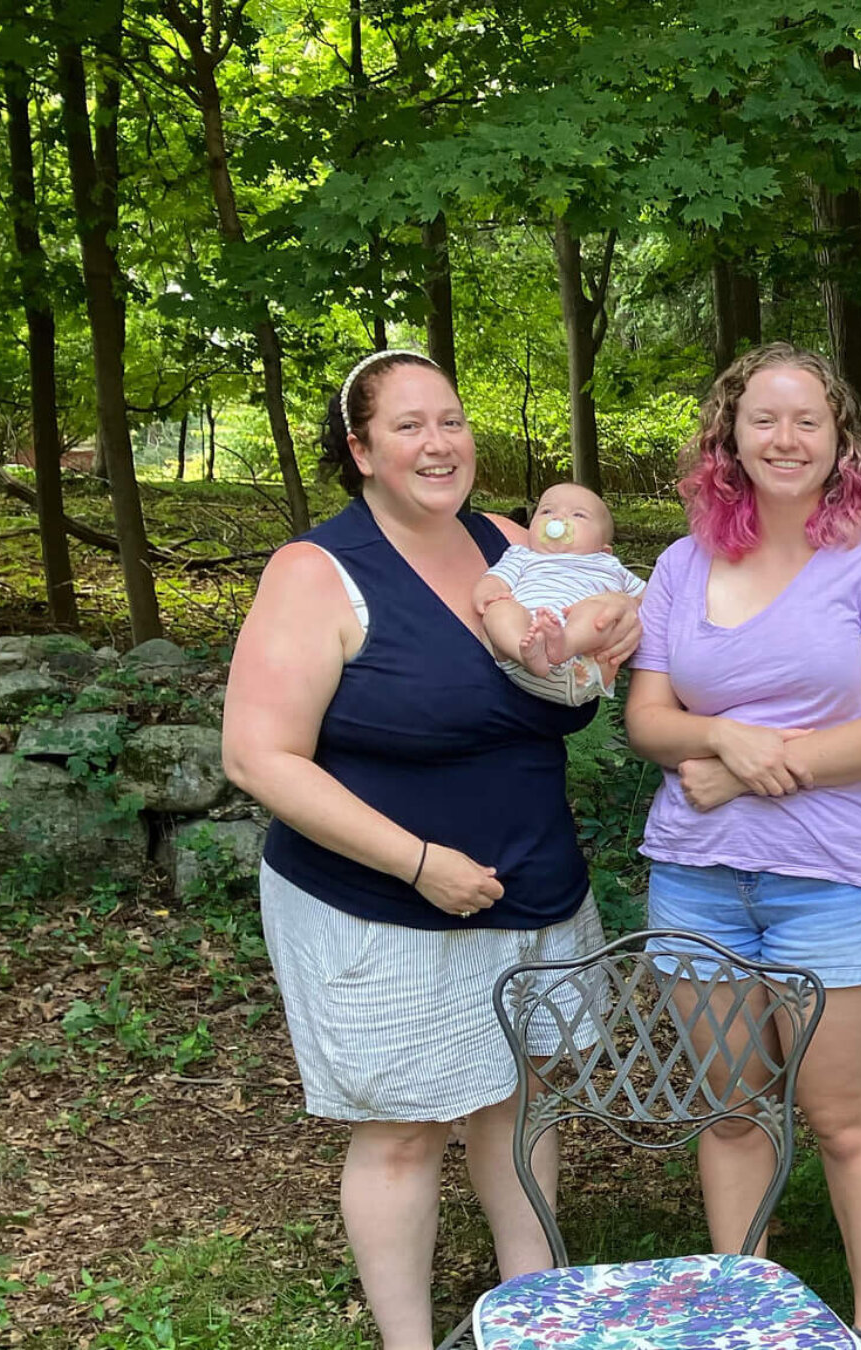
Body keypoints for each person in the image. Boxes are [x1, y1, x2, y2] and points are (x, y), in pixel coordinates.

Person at [223, 349, 642, 1350]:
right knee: (405, 1131)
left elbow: (576, 677)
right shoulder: (316, 573)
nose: (438, 442)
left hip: (535, 888)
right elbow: (256, 756)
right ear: (360, 450)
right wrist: (417, 861)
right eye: (407, 425)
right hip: (386, 905)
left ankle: (532, 1319)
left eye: (450, 420)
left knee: (520, 1105)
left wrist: (606, 640)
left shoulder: (510, 542)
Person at [623, 342, 861, 1349]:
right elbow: (648, 719)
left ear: (841, 437)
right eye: (765, 419)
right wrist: (721, 738)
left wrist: (761, 765)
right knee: (729, 1110)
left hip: (837, 887)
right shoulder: (682, 563)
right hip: (698, 880)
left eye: (809, 420)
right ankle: (744, 1315)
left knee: (845, 1118)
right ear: (731, 433)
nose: (787, 438)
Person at [474, 481, 646, 703]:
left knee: (599, 608)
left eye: (578, 515)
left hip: (586, 663)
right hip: (522, 654)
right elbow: (494, 579)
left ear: (605, 549)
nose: (557, 518)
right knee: (500, 609)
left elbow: (651, 599)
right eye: (546, 511)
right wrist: (489, 593)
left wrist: (629, 603)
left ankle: (566, 643)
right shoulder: (522, 556)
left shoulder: (608, 565)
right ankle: (526, 650)